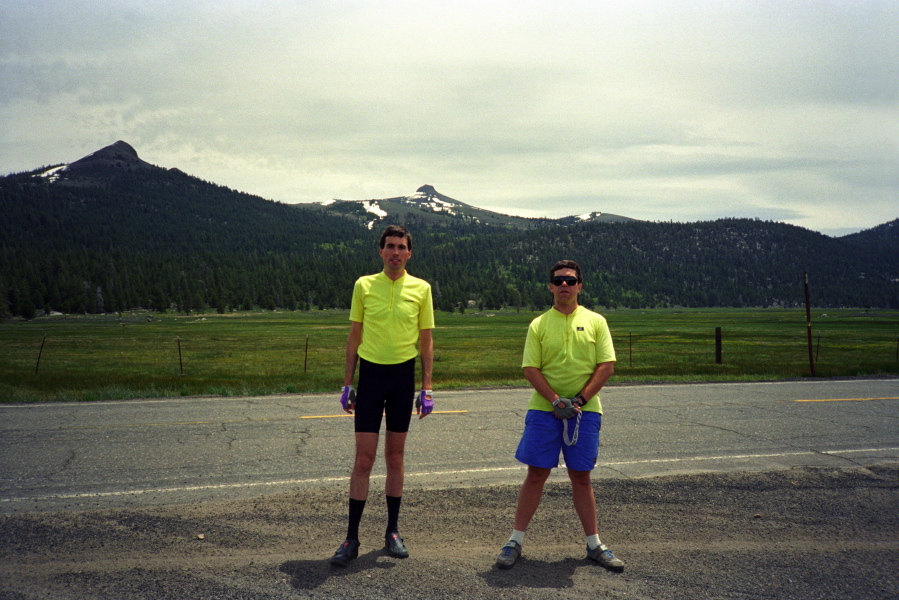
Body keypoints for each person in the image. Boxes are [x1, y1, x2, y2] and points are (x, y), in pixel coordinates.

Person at [495, 259, 623, 572]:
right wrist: (554, 400)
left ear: (580, 285)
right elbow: (530, 368)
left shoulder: (596, 321)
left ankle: (594, 544)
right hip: (543, 410)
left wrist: (578, 400)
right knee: (536, 473)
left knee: (581, 477)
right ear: (550, 286)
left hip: (586, 411)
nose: (564, 286)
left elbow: (606, 366)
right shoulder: (539, 324)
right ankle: (515, 541)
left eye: (570, 280)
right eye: (558, 280)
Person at [329, 224, 435, 567]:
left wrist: (427, 387)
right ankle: (351, 538)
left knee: (395, 458)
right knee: (363, 459)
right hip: (371, 376)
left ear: (409, 253)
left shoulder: (421, 289)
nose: (395, 252)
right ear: (380, 251)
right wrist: (348, 382)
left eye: (401, 247)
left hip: (402, 377)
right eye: (389, 246)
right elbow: (354, 335)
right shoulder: (364, 285)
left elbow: (427, 341)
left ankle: (392, 531)